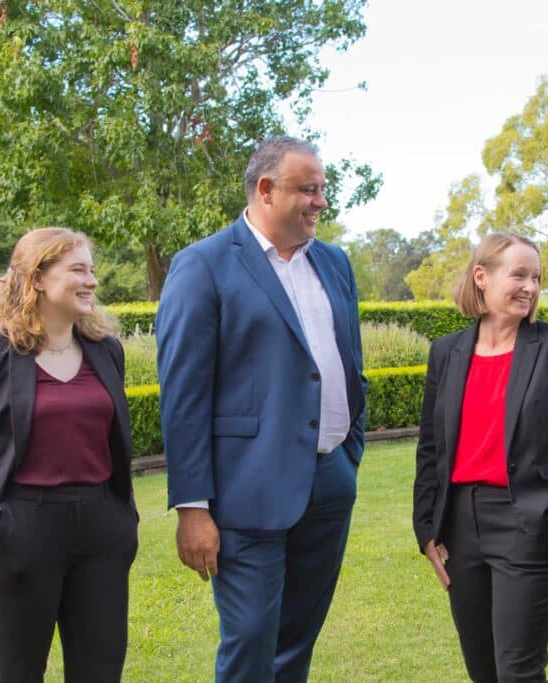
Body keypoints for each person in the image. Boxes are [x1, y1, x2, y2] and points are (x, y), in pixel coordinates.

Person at [155, 136, 367, 682]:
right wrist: (192, 507)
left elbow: (347, 364)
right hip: (245, 493)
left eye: (323, 189)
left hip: (329, 483)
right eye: (309, 189)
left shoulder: (336, 264)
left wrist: (350, 451)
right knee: (251, 642)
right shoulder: (201, 266)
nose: (321, 201)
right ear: (266, 190)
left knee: (298, 641)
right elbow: (184, 396)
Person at [0, 227, 139, 682]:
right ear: (38, 278)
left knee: (101, 674)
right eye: (78, 270)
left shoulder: (106, 352)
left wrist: (121, 519)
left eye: (93, 270)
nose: (92, 281)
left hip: (101, 533)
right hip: (18, 530)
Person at [412, 232, 548, 682]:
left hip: (528, 525)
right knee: (483, 670)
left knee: (518, 671)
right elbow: (431, 447)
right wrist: (426, 529)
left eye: (536, 278)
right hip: (460, 526)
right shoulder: (447, 352)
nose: (531, 288)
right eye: (519, 275)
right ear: (481, 277)